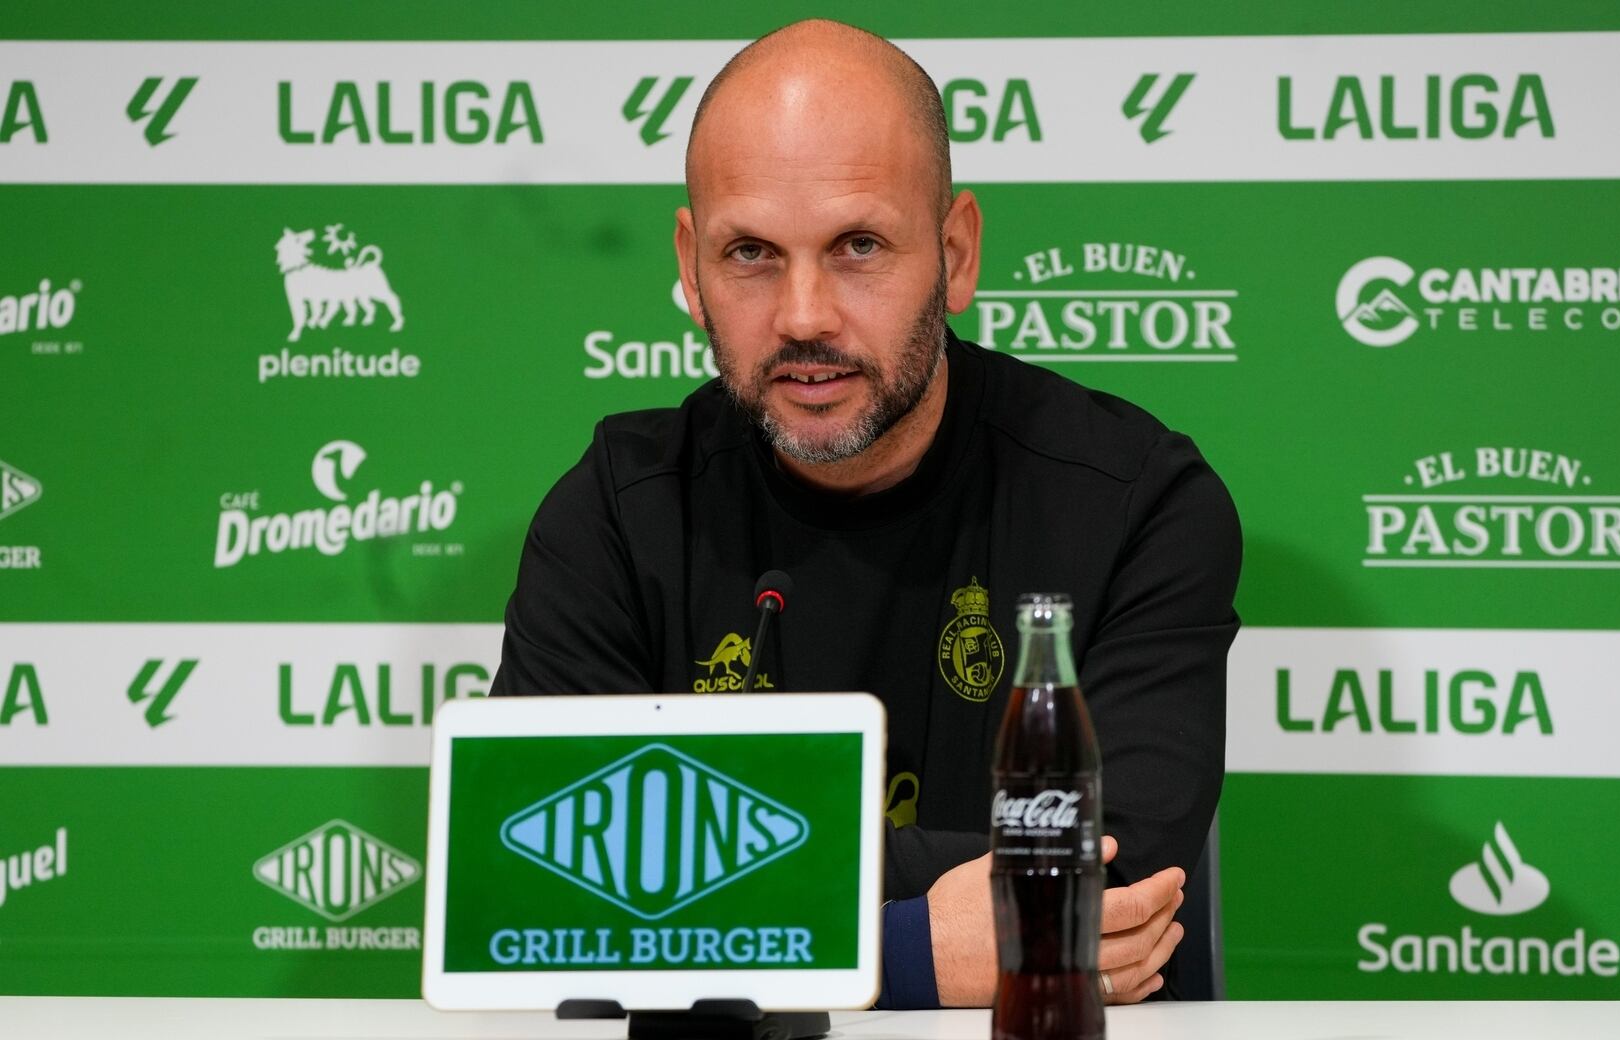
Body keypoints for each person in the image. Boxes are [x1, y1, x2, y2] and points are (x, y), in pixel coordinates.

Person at [491, 18, 1241, 1008]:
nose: (802, 313)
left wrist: (712, 896)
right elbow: (545, 890)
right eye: (751, 251)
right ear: (690, 261)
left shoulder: (1135, 500)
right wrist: (907, 949)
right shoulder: (617, 513)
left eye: (857, 245)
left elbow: (1110, 880)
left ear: (955, 251)